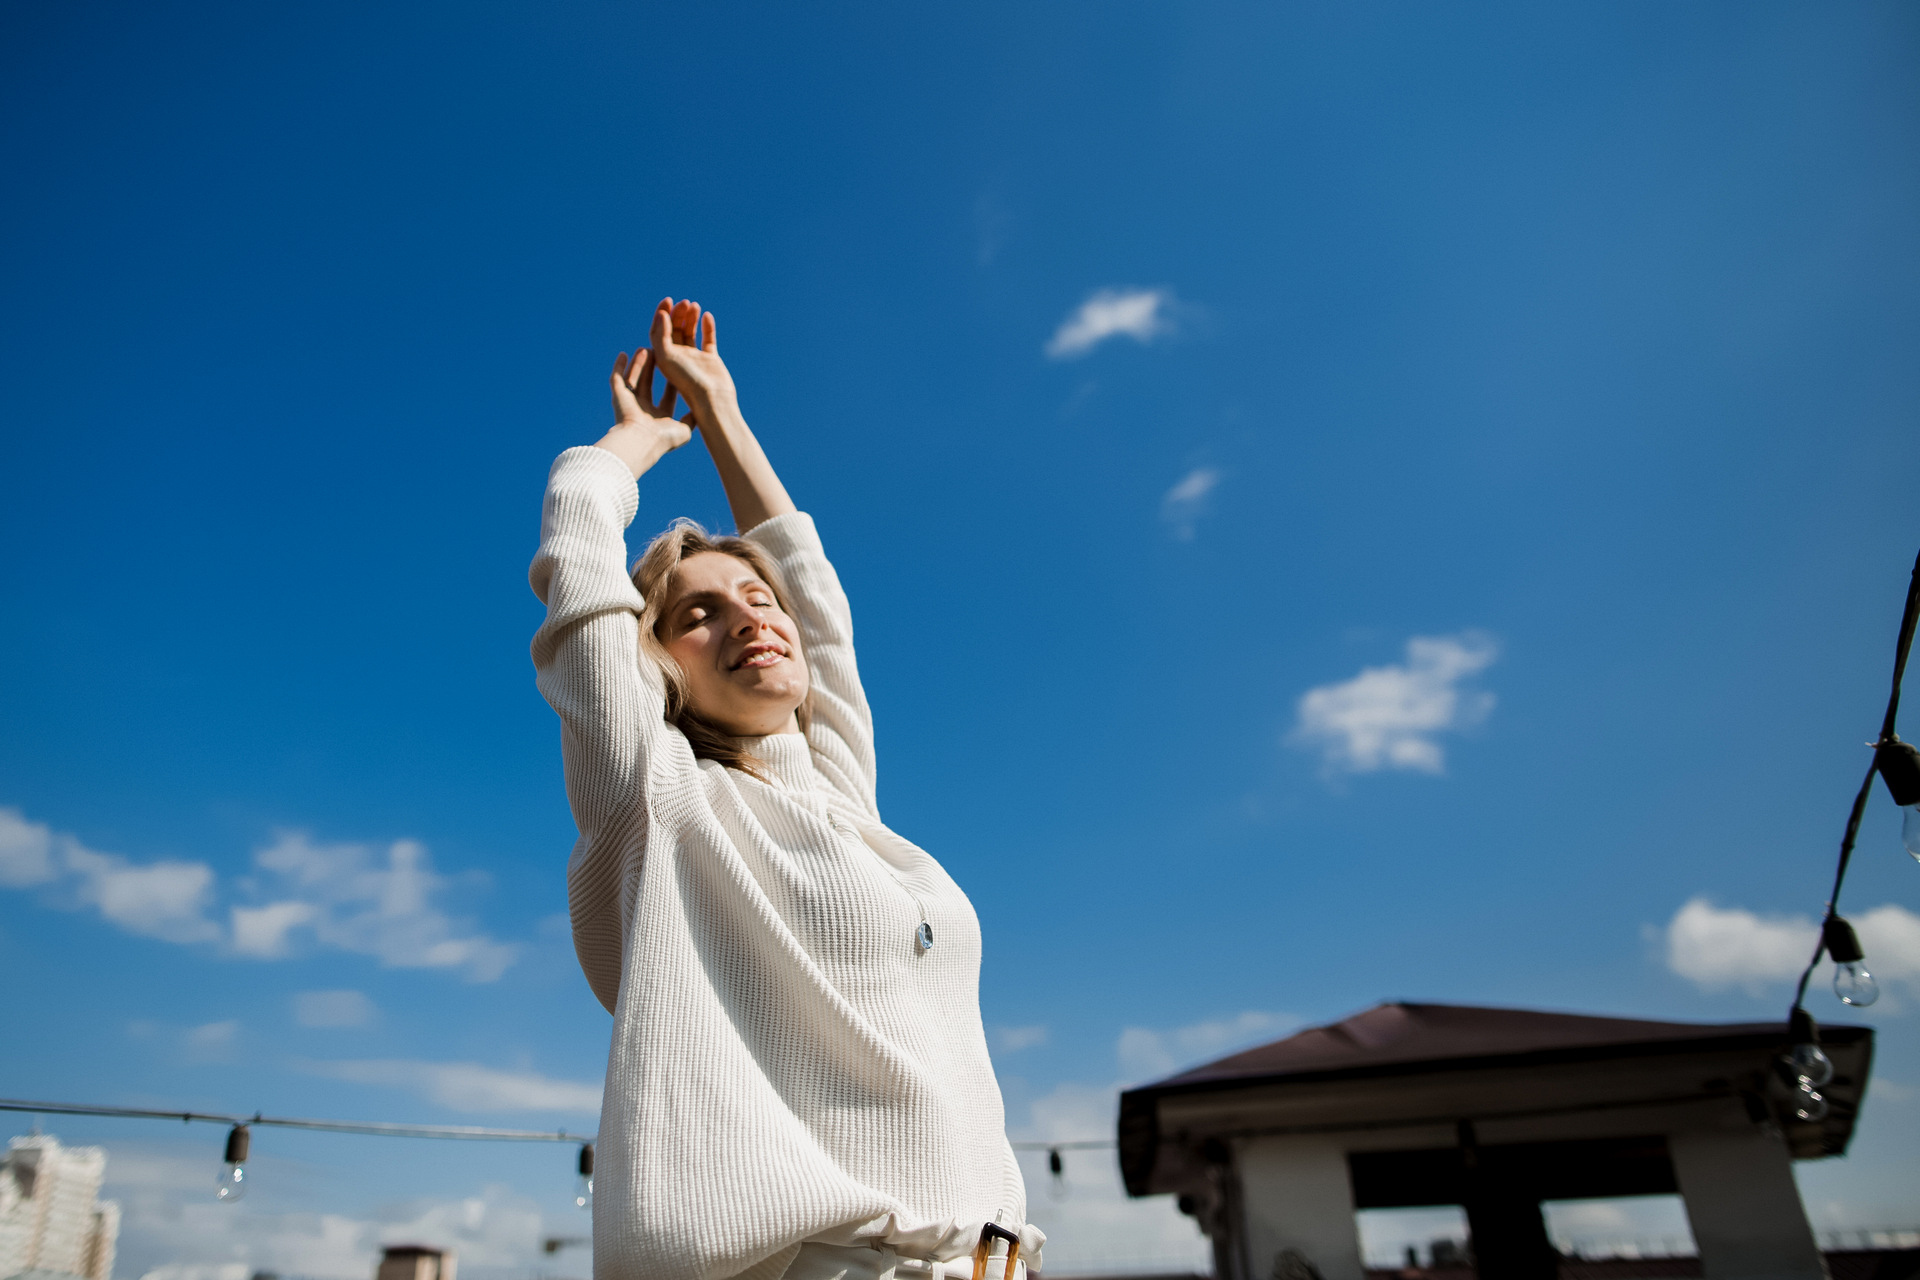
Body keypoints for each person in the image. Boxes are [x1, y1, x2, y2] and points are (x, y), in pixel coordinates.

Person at [530, 298, 1042, 1280]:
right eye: (700, 611)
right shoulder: (659, 794)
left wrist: (721, 410)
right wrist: (625, 448)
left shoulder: (844, 796)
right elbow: (580, 563)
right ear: (654, 662)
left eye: (758, 599)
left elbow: (814, 590)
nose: (750, 617)